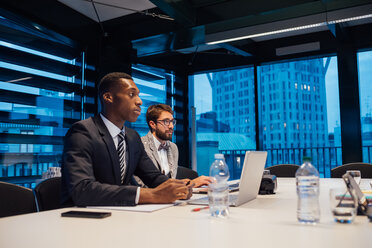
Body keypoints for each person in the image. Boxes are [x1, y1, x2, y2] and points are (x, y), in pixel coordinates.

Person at [61, 72, 193, 207]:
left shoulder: (132, 137)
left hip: (118, 213)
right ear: (108, 97)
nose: (139, 101)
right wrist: (152, 195)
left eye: (138, 95)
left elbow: (153, 177)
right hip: (81, 217)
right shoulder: (82, 132)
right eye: (131, 94)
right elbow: (82, 189)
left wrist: (178, 188)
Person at [136, 104, 212, 188]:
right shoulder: (140, 145)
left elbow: (171, 180)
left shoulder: (173, 147)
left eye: (172, 121)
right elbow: (141, 185)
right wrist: (190, 183)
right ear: (153, 124)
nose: (171, 126)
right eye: (166, 121)